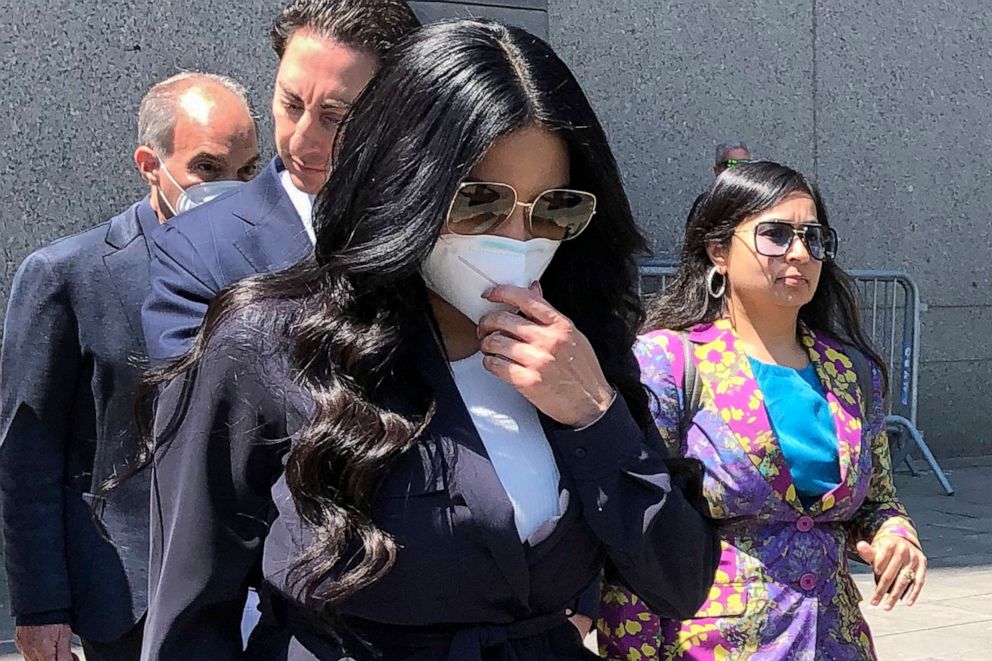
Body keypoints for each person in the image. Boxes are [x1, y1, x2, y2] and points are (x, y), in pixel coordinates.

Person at [139, 19, 717, 661]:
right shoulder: (270, 341)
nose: (517, 240)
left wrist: (594, 417)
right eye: (478, 202)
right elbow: (190, 612)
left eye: (552, 208)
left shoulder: (579, 346)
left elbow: (678, 581)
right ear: (405, 186)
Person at [598, 161, 927, 660]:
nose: (799, 253)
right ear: (718, 251)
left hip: (835, 639)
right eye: (775, 235)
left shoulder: (853, 373)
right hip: (711, 643)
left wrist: (894, 534)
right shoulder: (668, 363)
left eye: (813, 238)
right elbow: (636, 531)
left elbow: (877, 498)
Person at [0, 72, 258, 661]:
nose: (233, 190)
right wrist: (41, 608)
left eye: (247, 172)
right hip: (131, 593)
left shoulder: (271, 268)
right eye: (209, 169)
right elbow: (27, 456)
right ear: (150, 163)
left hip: (255, 585)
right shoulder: (66, 275)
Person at [140, 0, 420, 363]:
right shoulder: (195, 250)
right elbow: (194, 410)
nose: (300, 140)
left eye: (333, 118)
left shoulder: (443, 226)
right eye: (291, 105)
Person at [686, 140, 752, 225]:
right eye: (731, 164)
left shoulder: (762, 200)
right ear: (717, 171)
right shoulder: (705, 204)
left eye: (744, 164)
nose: (739, 169)